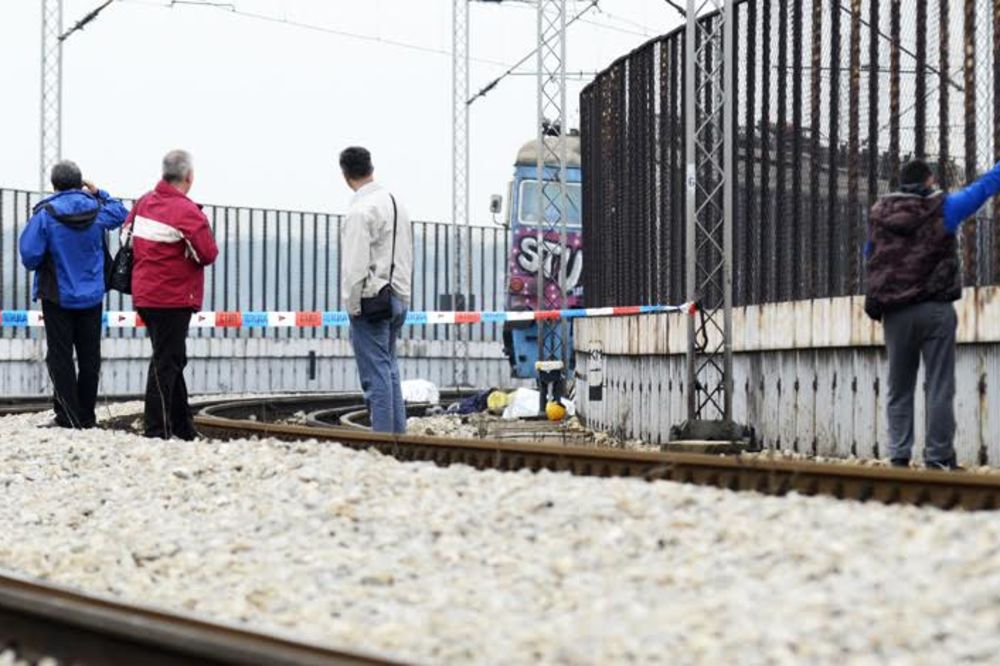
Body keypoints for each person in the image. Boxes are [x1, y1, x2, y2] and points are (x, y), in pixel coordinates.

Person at [865, 158, 1000, 469]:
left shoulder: (879, 215)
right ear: (929, 182)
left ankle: (899, 455)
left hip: (895, 314)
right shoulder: (943, 208)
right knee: (939, 385)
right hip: (935, 310)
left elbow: (870, 255)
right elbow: (982, 189)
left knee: (898, 387)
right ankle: (938, 458)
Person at [19, 160, 129, 428]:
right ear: (80, 184)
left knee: (60, 356)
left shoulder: (45, 214)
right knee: (90, 356)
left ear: (54, 185)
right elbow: (122, 213)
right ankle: (87, 417)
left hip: (57, 296)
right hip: (92, 296)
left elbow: (30, 256)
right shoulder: (97, 210)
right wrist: (98, 192)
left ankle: (67, 417)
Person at [127, 150, 218, 440]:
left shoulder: (142, 203)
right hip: (173, 297)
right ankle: (155, 430)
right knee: (166, 361)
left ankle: (183, 428)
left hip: (144, 294)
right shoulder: (186, 211)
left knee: (172, 357)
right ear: (189, 177)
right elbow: (207, 253)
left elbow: (124, 236)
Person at [339, 146, 413, 433]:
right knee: (389, 369)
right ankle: (398, 436)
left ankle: (383, 440)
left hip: (372, 301)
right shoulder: (396, 204)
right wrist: (404, 296)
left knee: (375, 375)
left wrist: (352, 304)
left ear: (345, 175)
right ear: (371, 167)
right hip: (398, 297)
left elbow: (355, 267)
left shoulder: (360, 211)